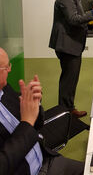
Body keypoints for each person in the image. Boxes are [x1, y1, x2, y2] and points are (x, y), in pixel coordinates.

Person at [0, 47, 84, 175]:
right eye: (6, 68)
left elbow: (38, 125)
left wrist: (35, 104)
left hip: (46, 160)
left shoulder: (4, 90)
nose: (10, 70)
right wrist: (27, 122)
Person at [49, 0, 93, 118]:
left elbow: (77, 19)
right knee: (68, 80)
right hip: (67, 46)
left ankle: (69, 108)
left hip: (72, 44)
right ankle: (64, 112)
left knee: (71, 79)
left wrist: (92, 18)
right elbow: (73, 19)